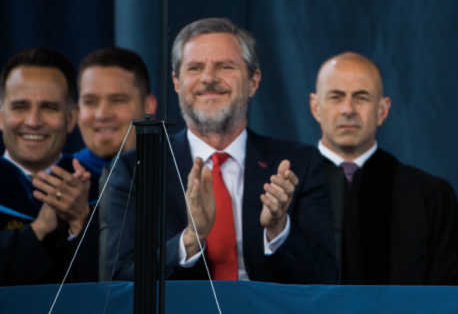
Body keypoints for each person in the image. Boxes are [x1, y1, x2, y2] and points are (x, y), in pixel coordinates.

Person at [101, 18, 334, 282]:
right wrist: (190, 240)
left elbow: (326, 277)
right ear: (177, 82)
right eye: (195, 68)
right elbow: (119, 279)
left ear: (253, 81)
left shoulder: (298, 164)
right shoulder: (136, 170)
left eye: (225, 66)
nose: (209, 79)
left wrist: (278, 230)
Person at [309, 52, 458, 284]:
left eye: (361, 97)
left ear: (383, 110)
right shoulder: (284, 190)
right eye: (336, 97)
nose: (348, 109)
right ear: (315, 107)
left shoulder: (430, 196)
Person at [0, 48, 96, 284]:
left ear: (71, 118)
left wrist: (79, 223)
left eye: (49, 108)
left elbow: (114, 289)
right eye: (20, 107)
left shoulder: (101, 188)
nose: (33, 121)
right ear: (1, 116)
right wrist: (40, 228)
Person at [73, 47, 158, 176]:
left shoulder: (182, 173)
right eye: (90, 102)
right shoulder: (53, 180)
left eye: (118, 100)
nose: (102, 114)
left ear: (148, 106)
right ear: (77, 111)